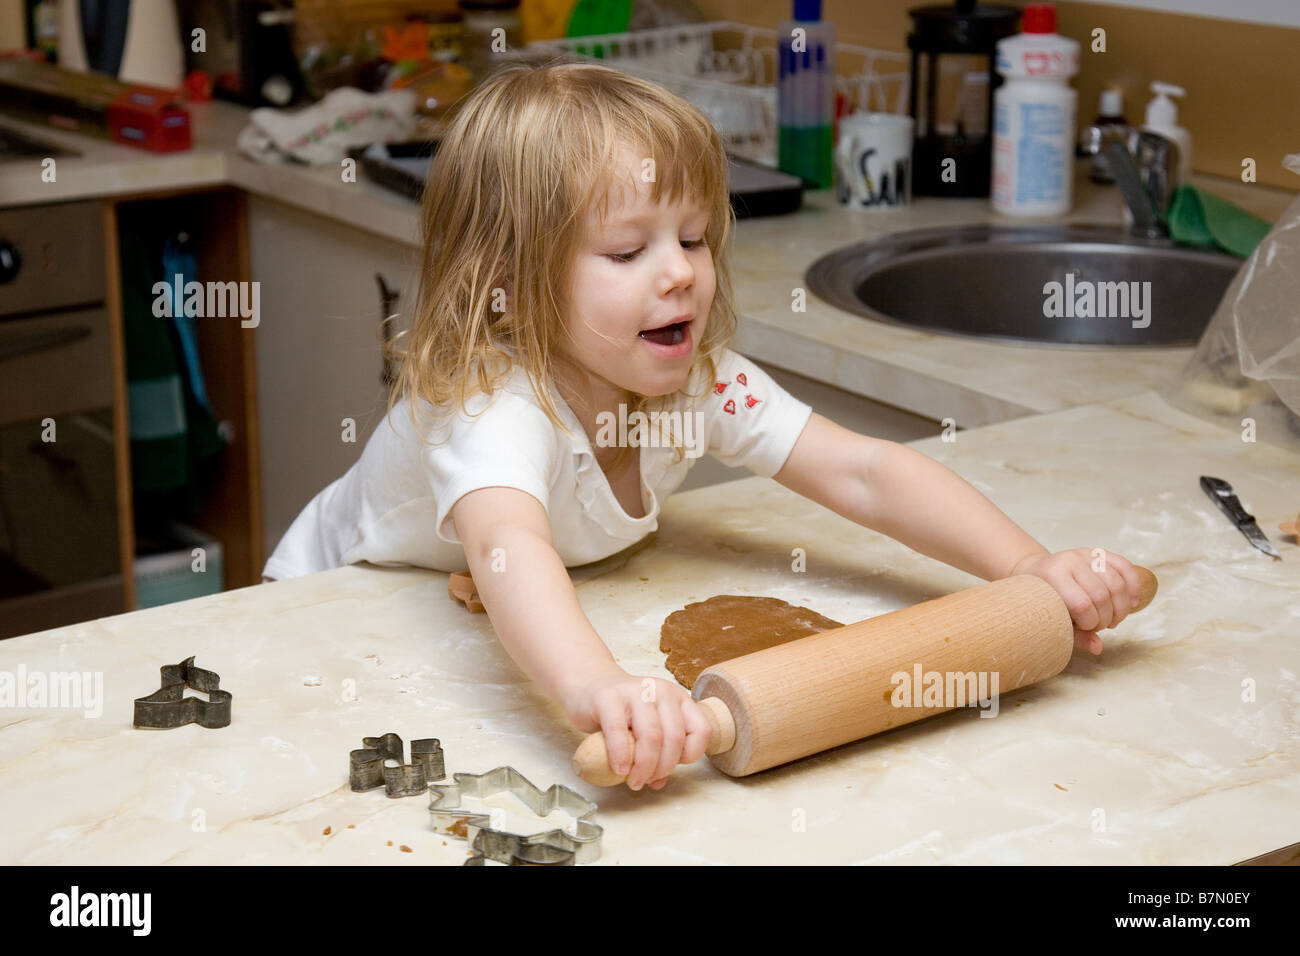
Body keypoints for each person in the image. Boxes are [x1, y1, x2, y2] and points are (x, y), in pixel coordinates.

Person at [262, 59, 1143, 792]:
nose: (680, 272)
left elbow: (863, 471)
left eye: (692, 237)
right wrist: (601, 690)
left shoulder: (698, 385)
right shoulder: (492, 404)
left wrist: (1028, 567)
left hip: (462, 606)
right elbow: (507, 552)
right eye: (626, 251)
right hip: (331, 612)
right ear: (511, 277)